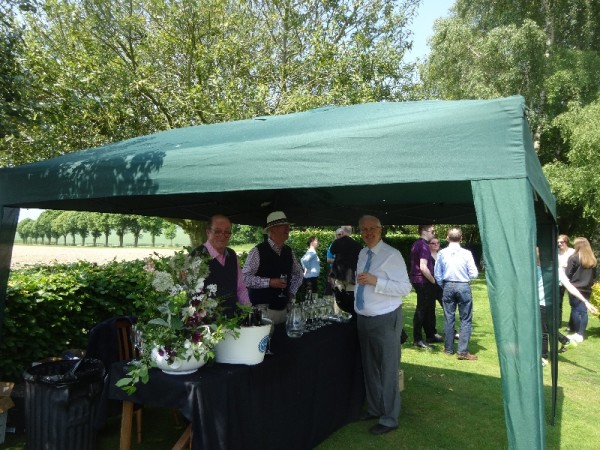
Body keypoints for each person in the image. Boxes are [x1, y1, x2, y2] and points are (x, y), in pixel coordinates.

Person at [354, 215, 412, 435]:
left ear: (381, 230)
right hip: (364, 318)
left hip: (385, 318)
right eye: (363, 230)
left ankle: (389, 418)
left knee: (387, 369)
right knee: (369, 367)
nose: (368, 233)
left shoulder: (392, 255)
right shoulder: (362, 253)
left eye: (372, 229)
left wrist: (376, 281)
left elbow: (405, 288)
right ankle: (375, 408)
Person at [242, 211, 303, 324]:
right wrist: (269, 282)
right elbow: (244, 278)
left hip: (284, 309)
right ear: (273, 229)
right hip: (263, 310)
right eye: (284, 226)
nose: (288, 229)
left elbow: (299, 273)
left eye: (288, 226)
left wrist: (291, 292)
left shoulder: (289, 251)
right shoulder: (258, 251)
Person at [190, 214, 250, 315]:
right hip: (209, 324)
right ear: (208, 232)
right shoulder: (197, 257)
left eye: (227, 232)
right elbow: (194, 295)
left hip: (233, 320)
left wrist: (249, 311)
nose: (222, 236)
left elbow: (241, 288)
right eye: (217, 231)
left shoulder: (232, 255)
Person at [434, 228, 479, 360]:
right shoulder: (466, 253)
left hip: (448, 285)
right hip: (463, 285)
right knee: (465, 319)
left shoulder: (442, 253)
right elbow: (474, 273)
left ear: (447, 237)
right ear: (461, 238)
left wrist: (444, 284)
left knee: (449, 317)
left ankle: (448, 349)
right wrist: (465, 279)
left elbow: (437, 273)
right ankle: (462, 352)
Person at [410, 225, 443, 350]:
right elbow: (423, 267)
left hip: (419, 280)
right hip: (423, 281)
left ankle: (430, 335)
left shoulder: (417, 244)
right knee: (422, 309)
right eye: (432, 231)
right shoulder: (423, 245)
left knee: (428, 308)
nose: (434, 234)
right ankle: (417, 339)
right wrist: (433, 281)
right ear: (424, 232)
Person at [564, 237, 598, 343]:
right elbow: (594, 275)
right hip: (587, 288)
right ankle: (581, 332)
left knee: (575, 309)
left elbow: (568, 274)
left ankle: (579, 334)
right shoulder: (592, 259)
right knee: (583, 311)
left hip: (575, 287)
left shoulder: (573, 258)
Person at [330, 225, 363, 317]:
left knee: (338, 299)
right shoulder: (358, 245)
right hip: (352, 276)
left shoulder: (337, 242)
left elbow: (332, 251)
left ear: (343, 232)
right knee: (352, 299)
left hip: (339, 275)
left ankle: (339, 317)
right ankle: (353, 318)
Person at [430, 237, 458, 340]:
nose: (436, 245)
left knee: (448, 309)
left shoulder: (442, 255)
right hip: (431, 286)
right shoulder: (427, 256)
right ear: (429, 245)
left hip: (442, 286)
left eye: (437, 243)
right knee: (431, 311)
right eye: (433, 243)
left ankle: (452, 332)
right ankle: (432, 333)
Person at [557, 234, 575, 328]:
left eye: (562, 242)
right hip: (559, 280)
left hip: (571, 280)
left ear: (566, 242)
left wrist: (568, 267)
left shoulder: (573, 252)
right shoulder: (556, 252)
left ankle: (571, 325)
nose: (560, 244)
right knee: (558, 302)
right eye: (558, 242)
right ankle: (558, 323)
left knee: (573, 302)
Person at [325, 228, 342, 295]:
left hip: (343, 271)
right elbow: (328, 260)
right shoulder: (333, 246)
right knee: (334, 290)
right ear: (336, 235)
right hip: (334, 271)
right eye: (339, 234)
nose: (341, 236)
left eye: (342, 234)